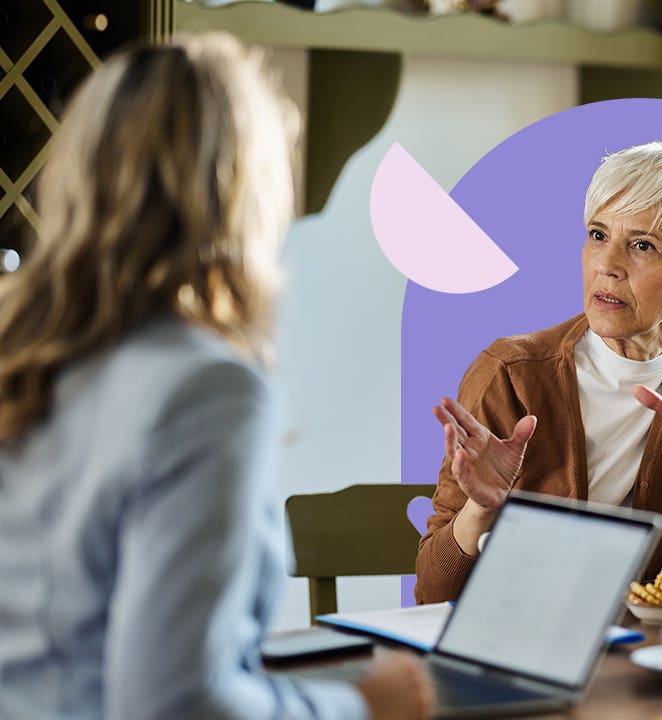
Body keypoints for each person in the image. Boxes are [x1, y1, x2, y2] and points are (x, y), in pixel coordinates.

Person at [0, 35, 433, 720]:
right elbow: (174, 703)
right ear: (243, 189)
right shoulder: (205, 390)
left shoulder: (20, 350)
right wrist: (361, 708)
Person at [415, 141, 662, 603]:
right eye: (598, 235)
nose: (607, 265)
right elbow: (432, 593)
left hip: (649, 650)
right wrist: (480, 511)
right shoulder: (510, 373)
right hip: (522, 640)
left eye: (642, 245)